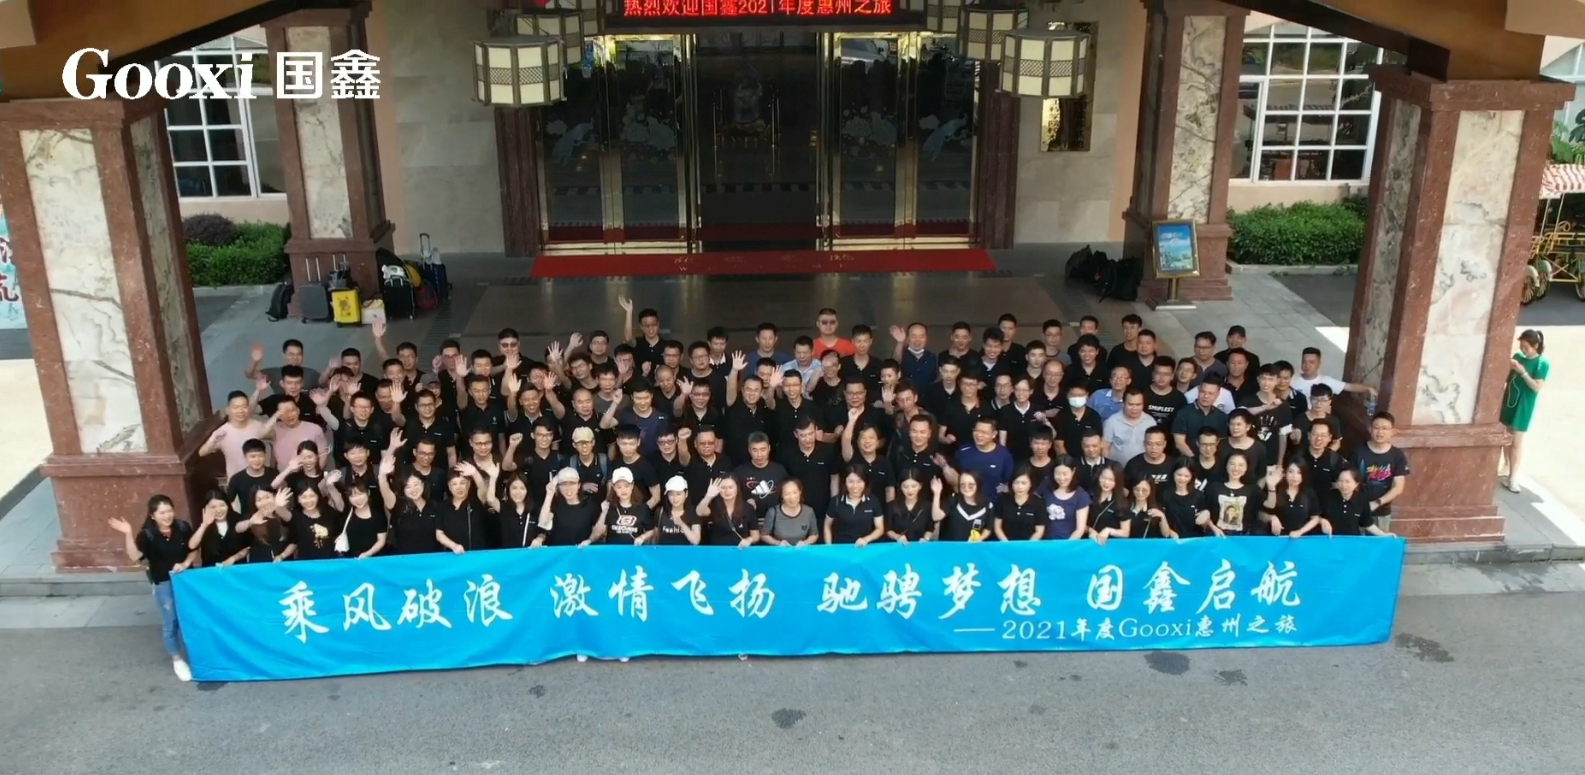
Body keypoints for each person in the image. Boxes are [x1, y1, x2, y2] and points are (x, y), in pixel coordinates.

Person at [107, 495, 196, 681]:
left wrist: (186, 563)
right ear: (153, 515)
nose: (167, 516)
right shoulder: (147, 535)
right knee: (170, 621)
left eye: (169, 511)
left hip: (186, 580)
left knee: (190, 617)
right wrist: (128, 533)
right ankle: (177, 659)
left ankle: (196, 654)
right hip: (163, 581)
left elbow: (193, 549)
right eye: (162, 512)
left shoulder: (182, 527)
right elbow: (136, 557)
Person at [1500, 330, 1548, 493]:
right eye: (1521, 346)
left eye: (1526, 347)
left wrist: (1523, 372)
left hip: (1524, 405)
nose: (1523, 349)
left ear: (1536, 346)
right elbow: (1506, 377)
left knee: (1516, 441)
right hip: (1509, 400)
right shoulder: (1518, 357)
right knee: (1506, 437)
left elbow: (1536, 387)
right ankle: (1506, 466)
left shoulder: (1542, 364)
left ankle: (1513, 476)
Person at [1353, 411, 1410, 532]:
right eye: (1376, 427)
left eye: (1385, 428)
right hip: (1357, 510)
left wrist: (1377, 503)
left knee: (1379, 542)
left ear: (1392, 432)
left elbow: (1398, 487)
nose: (1380, 432)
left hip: (1381, 512)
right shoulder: (1358, 452)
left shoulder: (1397, 455)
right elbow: (1349, 479)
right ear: (1370, 429)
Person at [825, 464, 885, 545]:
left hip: (865, 547)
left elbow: (880, 528)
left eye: (859, 481)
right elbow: (827, 526)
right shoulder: (836, 501)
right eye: (851, 481)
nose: (855, 486)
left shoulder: (873, 501)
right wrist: (829, 547)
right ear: (845, 482)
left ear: (865, 482)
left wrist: (866, 539)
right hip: (841, 547)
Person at [1322, 469, 1394, 537]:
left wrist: (1383, 534)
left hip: (1353, 540)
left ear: (1356, 484)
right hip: (1330, 540)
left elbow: (1367, 523)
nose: (1343, 485)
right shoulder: (1328, 497)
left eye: (1347, 482)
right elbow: (1318, 515)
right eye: (1340, 481)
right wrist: (1322, 521)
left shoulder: (1361, 499)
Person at [1199, 451, 1255, 537]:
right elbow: (1204, 510)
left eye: (1241, 465)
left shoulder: (1252, 490)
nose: (1236, 468)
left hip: (1242, 538)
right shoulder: (1213, 487)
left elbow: (1263, 510)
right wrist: (1213, 528)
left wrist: (1271, 487)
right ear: (1226, 465)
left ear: (1247, 468)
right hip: (1215, 536)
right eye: (1232, 464)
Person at [543, 467, 603, 547]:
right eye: (563, 484)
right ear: (558, 487)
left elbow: (598, 531)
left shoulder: (590, 506)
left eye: (572, 483)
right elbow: (543, 523)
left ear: (578, 485)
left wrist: (590, 540)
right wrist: (549, 495)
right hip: (559, 553)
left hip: (580, 551)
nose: (568, 488)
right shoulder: (554, 505)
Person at [191, 489, 249, 568]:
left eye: (222, 505)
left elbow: (247, 547)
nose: (218, 510)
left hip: (237, 569)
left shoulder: (238, 520)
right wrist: (204, 525)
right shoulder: (202, 523)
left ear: (228, 505)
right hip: (212, 571)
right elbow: (192, 546)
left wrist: (233, 559)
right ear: (206, 508)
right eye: (213, 507)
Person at [1264, 461, 1323, 537]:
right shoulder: (1276, 488)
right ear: (1285, 473)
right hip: (1276, 538)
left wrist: (1300, 531)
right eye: (1290, 471)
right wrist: (1271, 518)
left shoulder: (1308, 492)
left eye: (1299, 472)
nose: (1294, 476)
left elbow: (1315, 518)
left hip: (1300, 538)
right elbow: (1262, 513)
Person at [698, 476, 759, 548]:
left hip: (740, 550)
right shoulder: (714, 506)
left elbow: (755, 535)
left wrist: (749, 540)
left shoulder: (748, 508)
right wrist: (708, 496)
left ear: (737, 488)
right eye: (723, 488)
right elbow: (700, 512)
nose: (727, 491)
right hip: (718, 550)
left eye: (731, 487)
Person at [1038, 457, 1090, 540]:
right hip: (1045, 543)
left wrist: (1067, 545)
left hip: (1068, 543)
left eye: (1065, 474)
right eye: (1058, 473)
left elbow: (1080, 530)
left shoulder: (1081, 495)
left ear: (1073, 471)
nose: (1061, 478)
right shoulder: (1046, 487)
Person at [934, 471, 991, 542]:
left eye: (970, 485)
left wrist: (979, 539)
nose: (966, 488)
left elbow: (988, 528)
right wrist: (937, 493)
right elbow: (936, 517)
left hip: (972, 547)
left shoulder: (987, 506)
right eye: (963, 485)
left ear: (978, 484)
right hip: (951, 546)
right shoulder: (953, 500)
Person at [761, 480, 820, 547]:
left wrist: (805, 543)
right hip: (780, 551)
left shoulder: (808, 511)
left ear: (800, 492)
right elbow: (764, 535)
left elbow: (814, 535)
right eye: (787, 494)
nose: (792, 497)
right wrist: (778, 543)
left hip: (801, 551)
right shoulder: (773, 512)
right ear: (781, 495)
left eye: (795, 492)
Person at [338, 482, 390, 558]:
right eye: (352, 496)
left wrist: (367, 554)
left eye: (360, 494)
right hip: (352, 559)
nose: (357, 499)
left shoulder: (378, 515)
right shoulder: (348, 513)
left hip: (374, 558)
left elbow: (381, 541)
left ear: (368, 493)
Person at [886, 469, 939, 543]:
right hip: (899, 546)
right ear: (900, 487)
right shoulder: (892, 506)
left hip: (919, 547)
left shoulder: (927, 506)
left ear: (920, 486)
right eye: (905, 487)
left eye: (914, 486)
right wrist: (897, 537)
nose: (910, 490)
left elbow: (930, 529)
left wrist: (926, 538)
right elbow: (888, 529)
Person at [994, 468, 1045, 541]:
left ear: (1030, 484)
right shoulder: (1003, 499)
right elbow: (997, 527)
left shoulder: (1038, 502)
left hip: (1029, 545)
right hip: (1006, 544)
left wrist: (1027, 546)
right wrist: (1007, 544)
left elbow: (1039, 531)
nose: (1020, 487)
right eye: (1016, 482)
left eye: (1024, 483)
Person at [1082, 462, 1127, 544]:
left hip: (1109, 545)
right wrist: (1090, 530)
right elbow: (1078, 523)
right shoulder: (1088, 495)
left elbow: (1125, 532)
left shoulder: (1121, 502)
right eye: (1104, 478)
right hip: (1087, 543)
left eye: (1111, 480)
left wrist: (1109, 531)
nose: (1106, 482)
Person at [1159, 462, 1205, 538]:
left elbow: (1204, 516)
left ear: (1192, 477)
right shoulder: (1164, 494)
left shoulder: (1198, 495)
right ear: (1173, 473)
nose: (1182, 479)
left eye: (1186, 476)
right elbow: (1159, 518)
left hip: (1194, 539)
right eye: (1179, 475)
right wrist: (1170, 531)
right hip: (1172, 539)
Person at [654, 476, 703, 545]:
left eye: (678, 494)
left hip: (685, 551)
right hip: (664, 551)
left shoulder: (692, 513)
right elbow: (656, 534)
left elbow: (696, 541)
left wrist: (682, 524)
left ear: (686, 494)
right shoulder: (661, 512)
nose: (675, 498)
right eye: (671, 494)